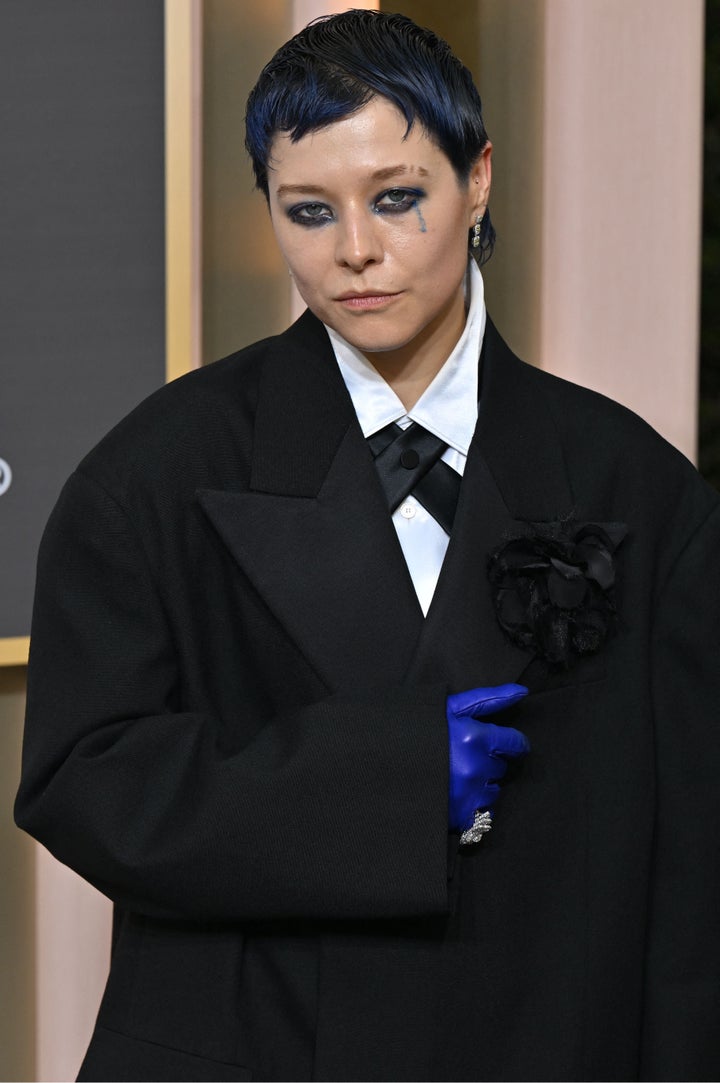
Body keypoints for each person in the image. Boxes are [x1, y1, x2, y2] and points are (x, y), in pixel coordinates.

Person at [14, 9, 720, 1082]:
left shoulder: (636, 486)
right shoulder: (153, 474)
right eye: (308, 210)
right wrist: (390, 785)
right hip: (250, 1047)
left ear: (477, 180)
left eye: (398, 198)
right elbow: (82, 782)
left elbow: (691, 880)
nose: (354, 251)